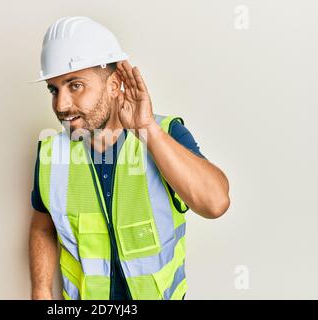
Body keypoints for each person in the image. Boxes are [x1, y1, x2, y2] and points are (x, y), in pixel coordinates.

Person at [29, 16, 230, 300]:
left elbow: (215, 203)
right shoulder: (51, 154)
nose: (61, 105)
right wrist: (39, 291)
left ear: (114, 85)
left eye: (75, 85)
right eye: (54, 89)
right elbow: (42, 225)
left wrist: (148, 130)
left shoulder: (167, 133)